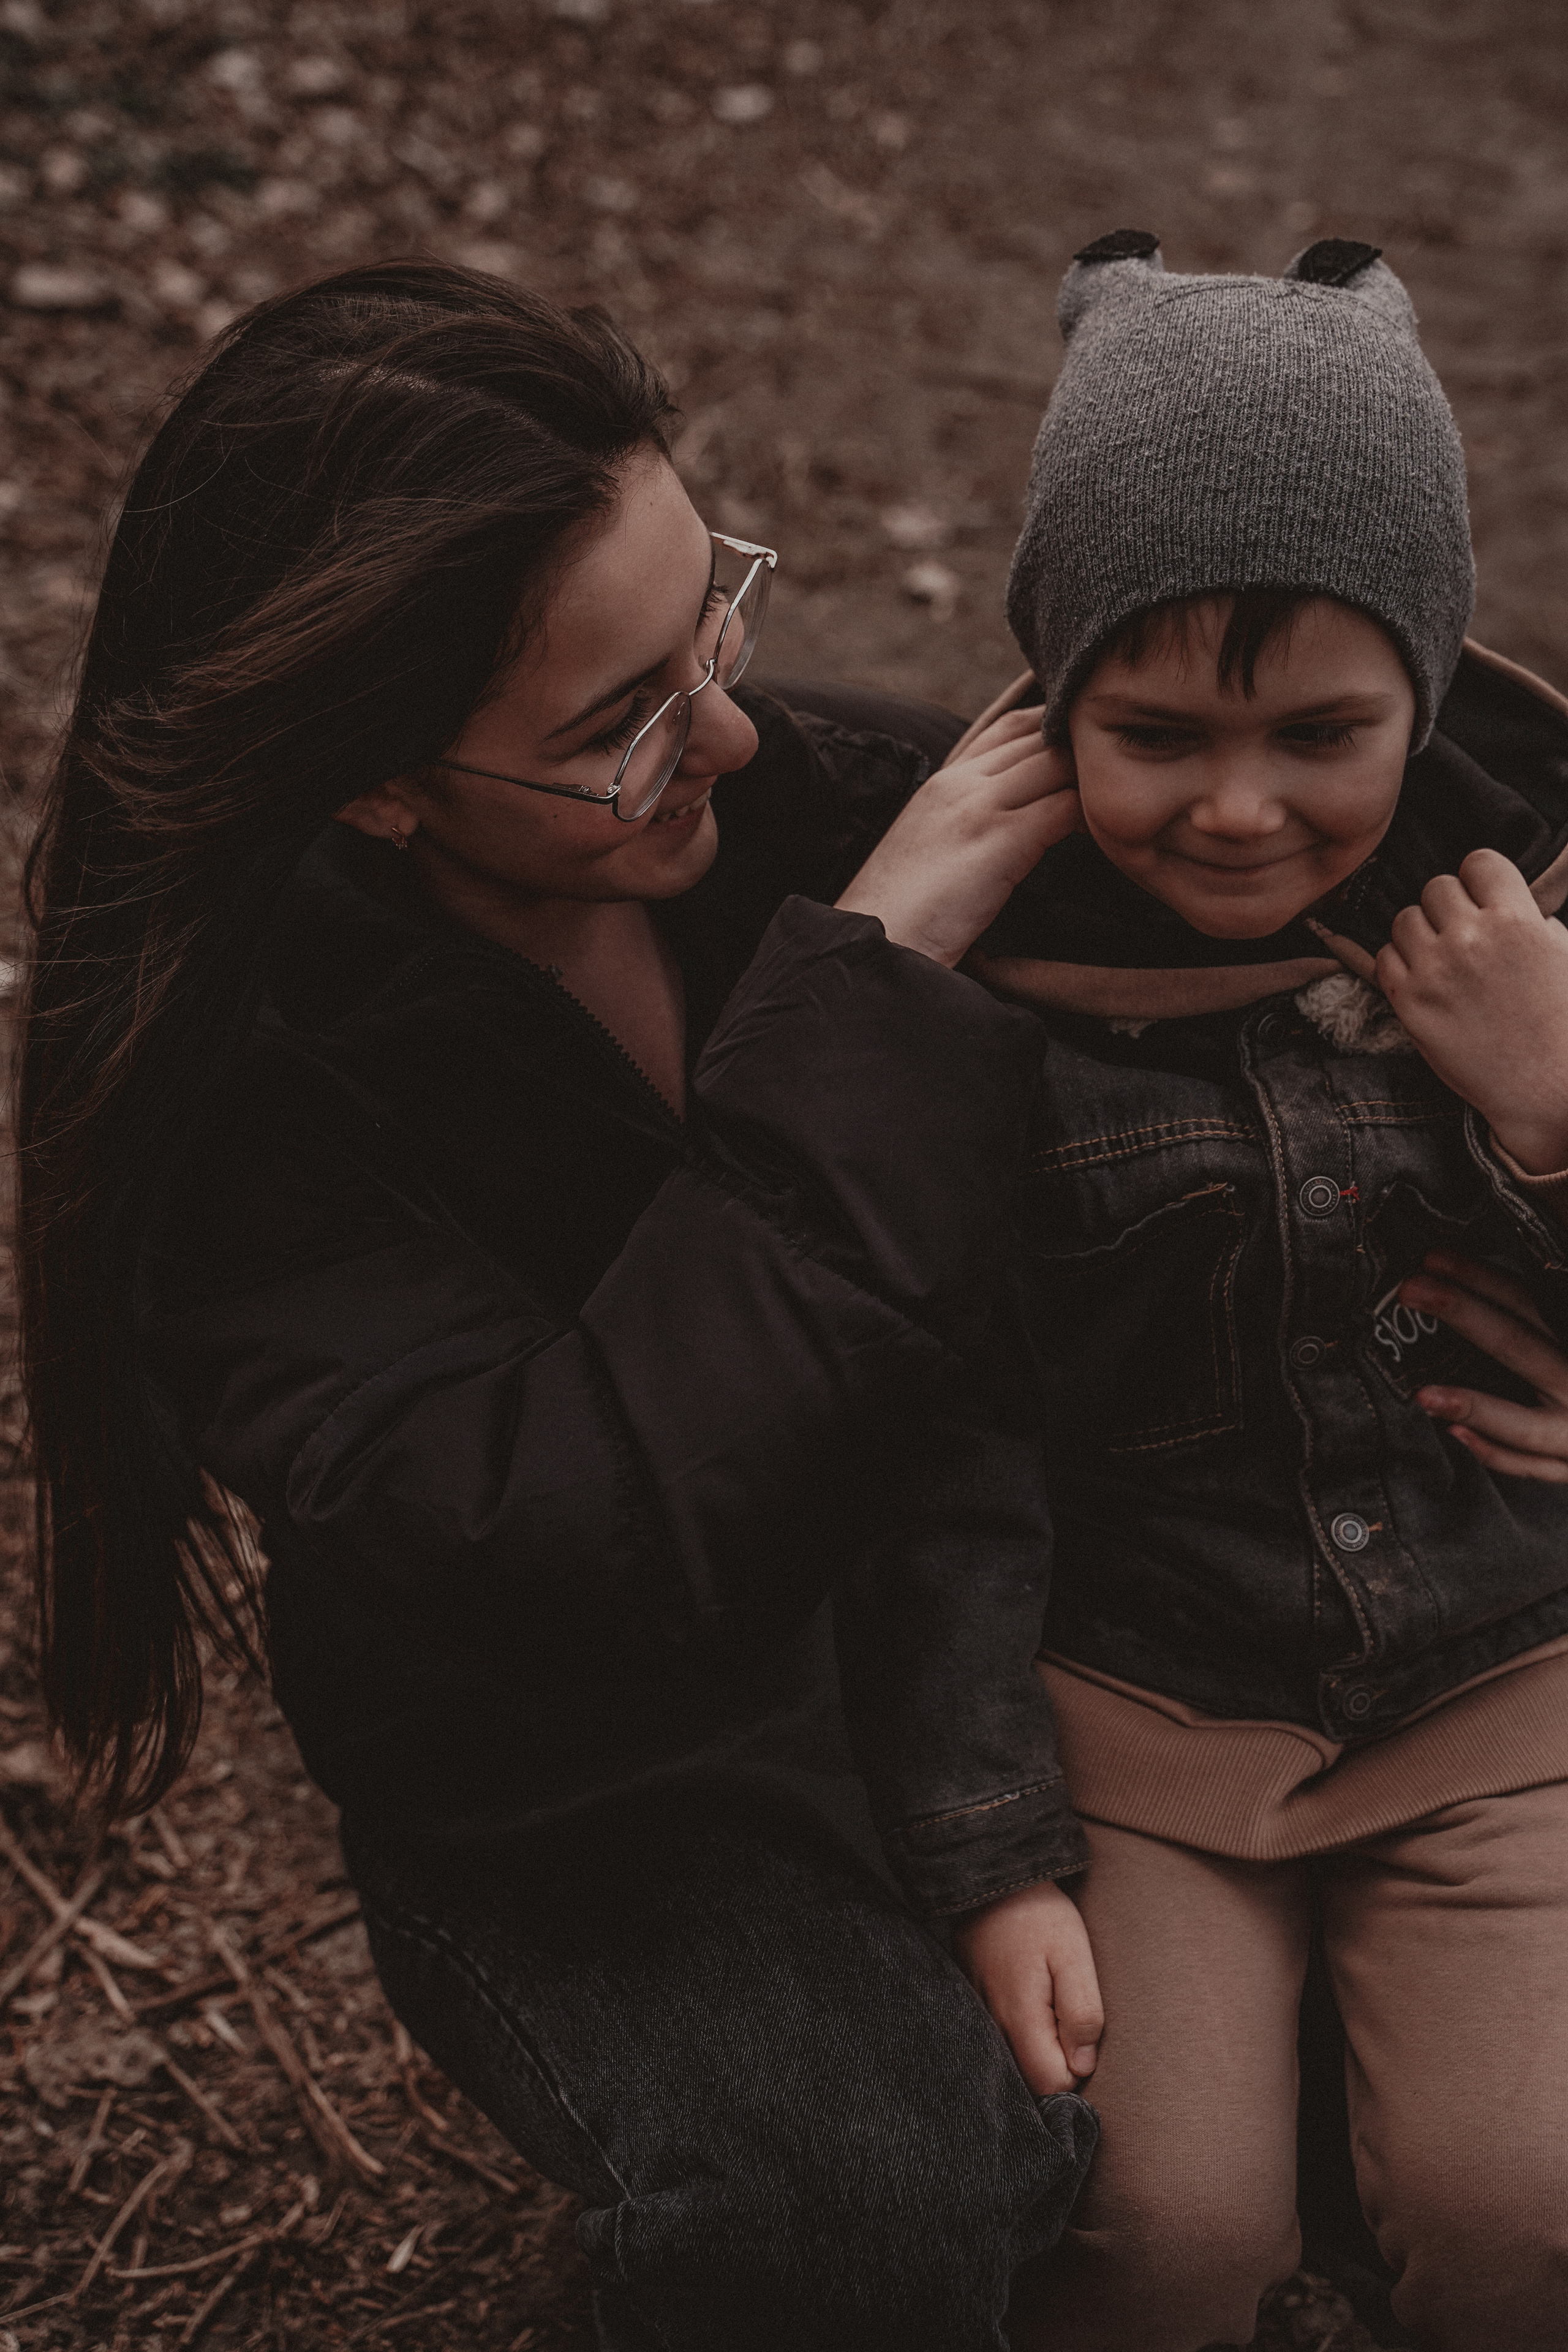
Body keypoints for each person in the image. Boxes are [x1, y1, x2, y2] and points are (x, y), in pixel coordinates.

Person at [17, 260, 1102, 2352]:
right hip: (595, 1785)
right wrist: (857, 1008)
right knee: (876, 2198)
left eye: (715, 611)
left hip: (933, 1623)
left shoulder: (770, 792)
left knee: (1216, 2110)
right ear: (373, 785)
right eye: (615, 725)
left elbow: (1338, 805)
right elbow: (588, 1539)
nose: (728, 726)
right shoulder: (253, 1111)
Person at [962, 230, 1568, 2352]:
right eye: (1153, 732)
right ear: (1056, 697)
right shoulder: (982, 978)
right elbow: (932, 1433)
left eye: (1326, 730)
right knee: (1158, 2241)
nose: (1239, 810)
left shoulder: (1530, 939)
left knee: (1529, 2217)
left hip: (1498, 1691)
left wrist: (1555, 1118)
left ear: (1431, 684)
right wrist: (985, 1842)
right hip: (1140, 1716)